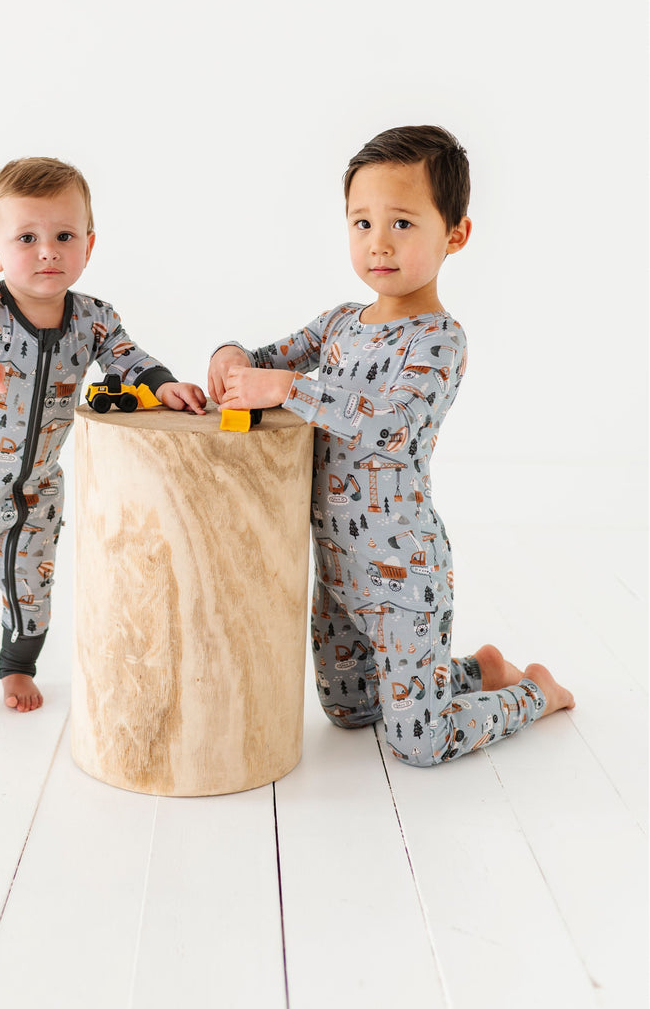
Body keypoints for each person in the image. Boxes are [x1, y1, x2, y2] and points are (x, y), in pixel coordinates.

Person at [209, 125, 574, 766]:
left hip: (405, 571)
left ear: (454, 234)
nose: (378, 243)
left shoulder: (440, 340)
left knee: (418, 744)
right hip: (337, 568)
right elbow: (265, 357)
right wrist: (231, 356)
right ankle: (475, 669)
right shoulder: (340, 324)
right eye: (362, 223)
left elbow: (390, 422)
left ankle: (534, 694)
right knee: (350, 712)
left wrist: (289, 387)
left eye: (402, 223)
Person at [0, 156, 206, 726]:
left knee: (31, 588)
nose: (48, 250)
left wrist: (163, 387)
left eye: (64, 235)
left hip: (35, 490)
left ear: (88, 246)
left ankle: (17, 667)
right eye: (27, 237)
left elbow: (128, 359)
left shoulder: (92, 319)